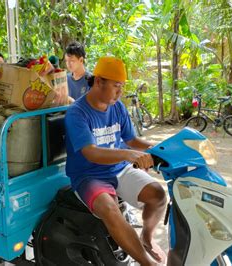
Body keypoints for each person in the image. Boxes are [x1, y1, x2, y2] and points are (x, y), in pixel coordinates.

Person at [64, 57, 167, 266]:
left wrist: (162, 149)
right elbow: (90, 153)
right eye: (116, 86)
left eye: (122, 87)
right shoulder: (77, 113)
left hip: (118, 170)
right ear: (99, 81)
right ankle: (147, 263)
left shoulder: (118, 107)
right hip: (89, 176)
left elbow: (131, 140)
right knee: (111, 210)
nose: (120, 93)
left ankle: (145, 238)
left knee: (158, 195)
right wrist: (127, 155)